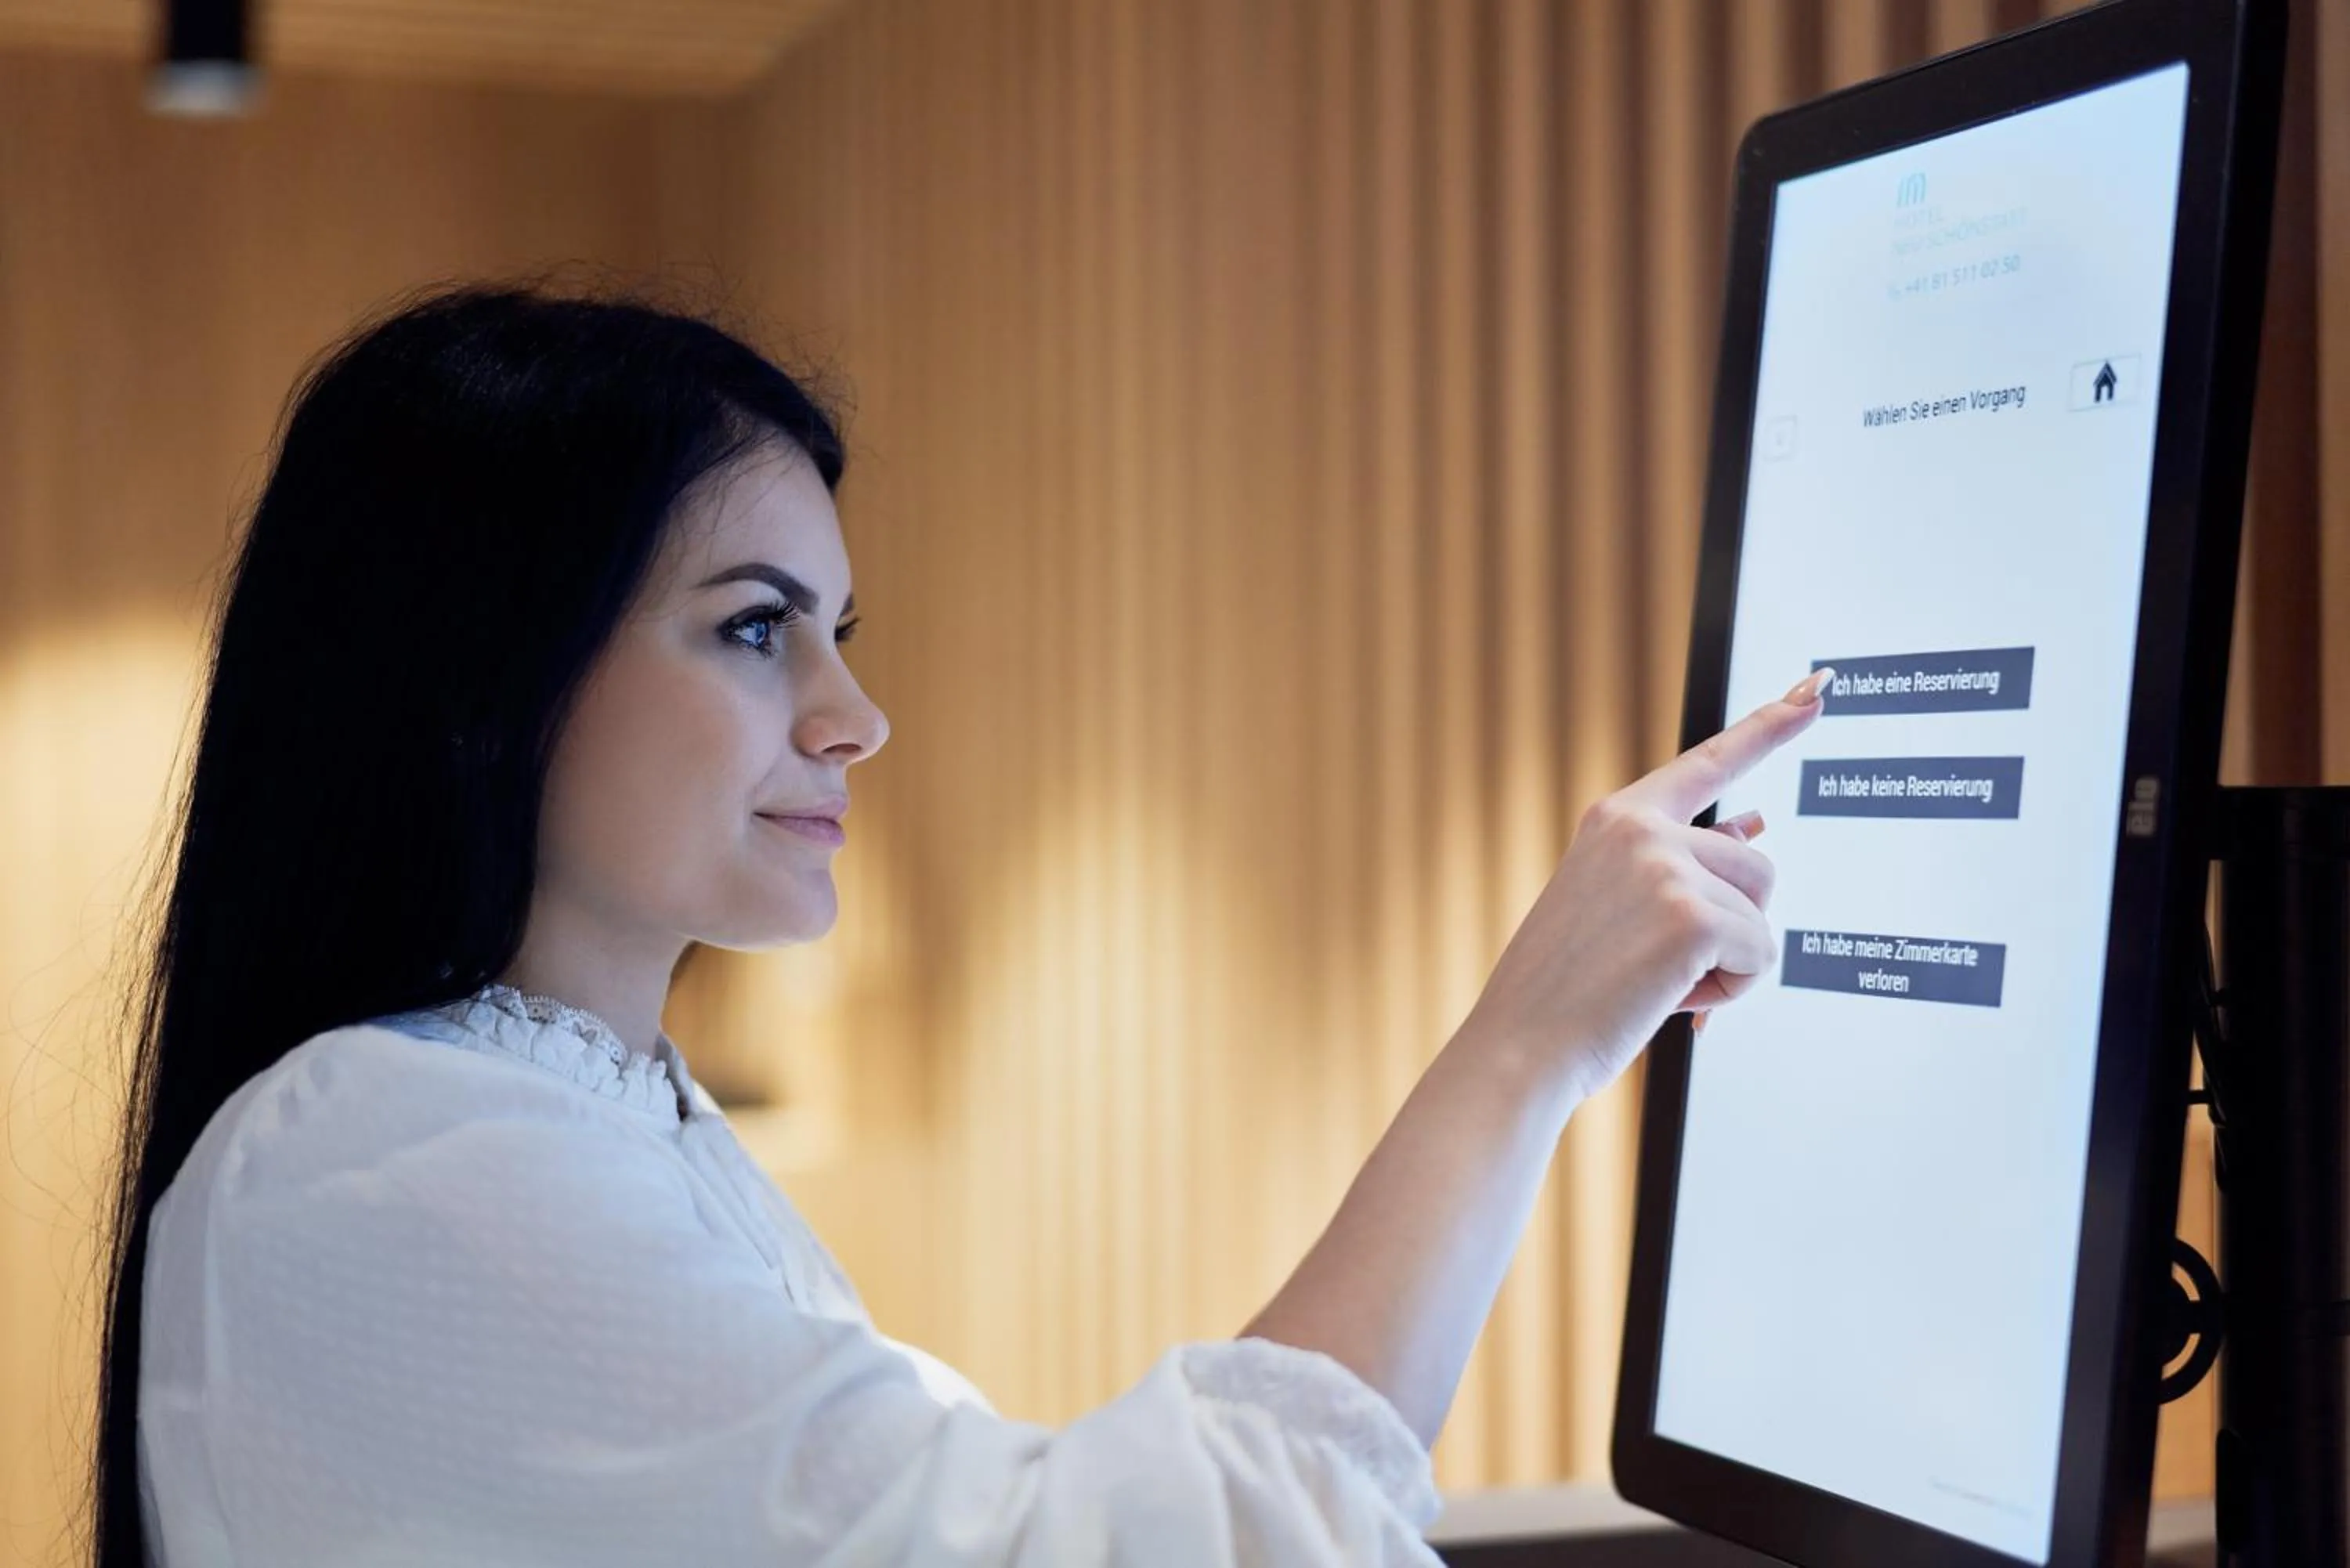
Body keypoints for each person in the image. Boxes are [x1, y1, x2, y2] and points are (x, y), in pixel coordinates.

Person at [89, 276, 1828, 1567]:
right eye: (758, 627)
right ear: (489, 675)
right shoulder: (384, 1150)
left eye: (842, 626)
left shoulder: (592, 1117)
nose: (856, 714)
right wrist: (1520, 1049)